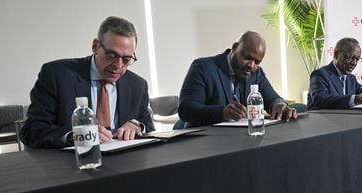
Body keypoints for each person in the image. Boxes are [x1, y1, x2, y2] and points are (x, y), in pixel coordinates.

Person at [20, 16, 154, 149]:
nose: (118, 65)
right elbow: (31, 130)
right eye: (112, 55)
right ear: (95, 46)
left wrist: (136, 125)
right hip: (70, 163)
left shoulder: (137, 85)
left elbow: (147, 126)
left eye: (126, 59)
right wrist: (76, 136)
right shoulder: (57, 75)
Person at [178, 31, 297, 127]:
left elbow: (273, 98)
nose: (251, 65)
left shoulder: (256, 73)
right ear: (235, 48)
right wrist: (221, 113)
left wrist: (279, 105)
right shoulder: (203, 68)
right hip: (205, 144)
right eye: (247, 58)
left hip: (240, 143)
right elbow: (186, 109)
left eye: (257, 62)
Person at [307, 37, 362, 110]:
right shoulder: (320, 75)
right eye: (350, 57)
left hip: (344, 121)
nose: (354, 63)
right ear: (336, 55)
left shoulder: (351, 78)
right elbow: (320, 100)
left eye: (357, 59)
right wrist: (355, 99)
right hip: (320, 121)